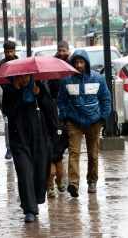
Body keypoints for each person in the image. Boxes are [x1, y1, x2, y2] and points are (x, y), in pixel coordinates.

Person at [2, 75, 57, 223]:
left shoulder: (39, 85)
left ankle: (37, 198)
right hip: (19, 138)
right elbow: (8, 111)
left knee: (40, 173)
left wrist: (39, 94)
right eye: (21, 77)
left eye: (27, 76)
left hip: (40, 137)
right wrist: (18, 92)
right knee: (25, 172)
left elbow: (50, 110)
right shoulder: (9, 89)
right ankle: (29, 209)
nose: (24, 79)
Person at [58, 49, 111, 198]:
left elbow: (106, 99)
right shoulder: (66, 80)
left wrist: (102, 117)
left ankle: (92, 181)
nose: (79, 65)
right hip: (74, 122)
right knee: (74, 153)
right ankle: (73, 184)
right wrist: (65, 116)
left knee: (93, 153)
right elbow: (61, 100)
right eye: (76, 62)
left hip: (94, 121)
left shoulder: (97, 78)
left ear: (86, 63)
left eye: (81, 62)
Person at [46, 41, 71, 198]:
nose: (62, 52)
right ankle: (51, 185)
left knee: (59, 153)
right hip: (51, 113)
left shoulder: (71, 67)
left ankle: (59, 182)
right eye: (59, 50)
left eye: (64, 50)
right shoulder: (52, 67)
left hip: (64, 115)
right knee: (52, 154)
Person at [0, 40, 19, 160]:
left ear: (15, 51)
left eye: (11, 51)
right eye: (7, 52)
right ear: (4, 52)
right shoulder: (0, 65)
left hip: (19, 100)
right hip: (6, 100)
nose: (9, 54)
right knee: (8, 125)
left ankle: (19, 145)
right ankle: (9, 148)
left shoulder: (20, 63)